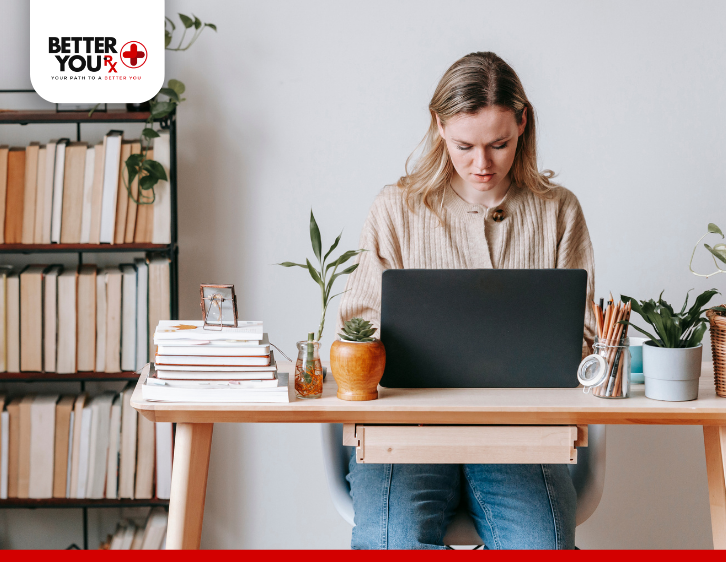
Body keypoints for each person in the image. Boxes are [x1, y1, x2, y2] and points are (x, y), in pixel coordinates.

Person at [336, 51, 596, 550]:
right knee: (392, 544)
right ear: (438, 126)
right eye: (465, 146)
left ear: (523, 123)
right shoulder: (397, 207)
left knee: (542, 546)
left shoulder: (559, 210)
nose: (483, 164)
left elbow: (582, 336)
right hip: (405, 430)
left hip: (522, 433)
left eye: (499, 144)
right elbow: (359, 324)